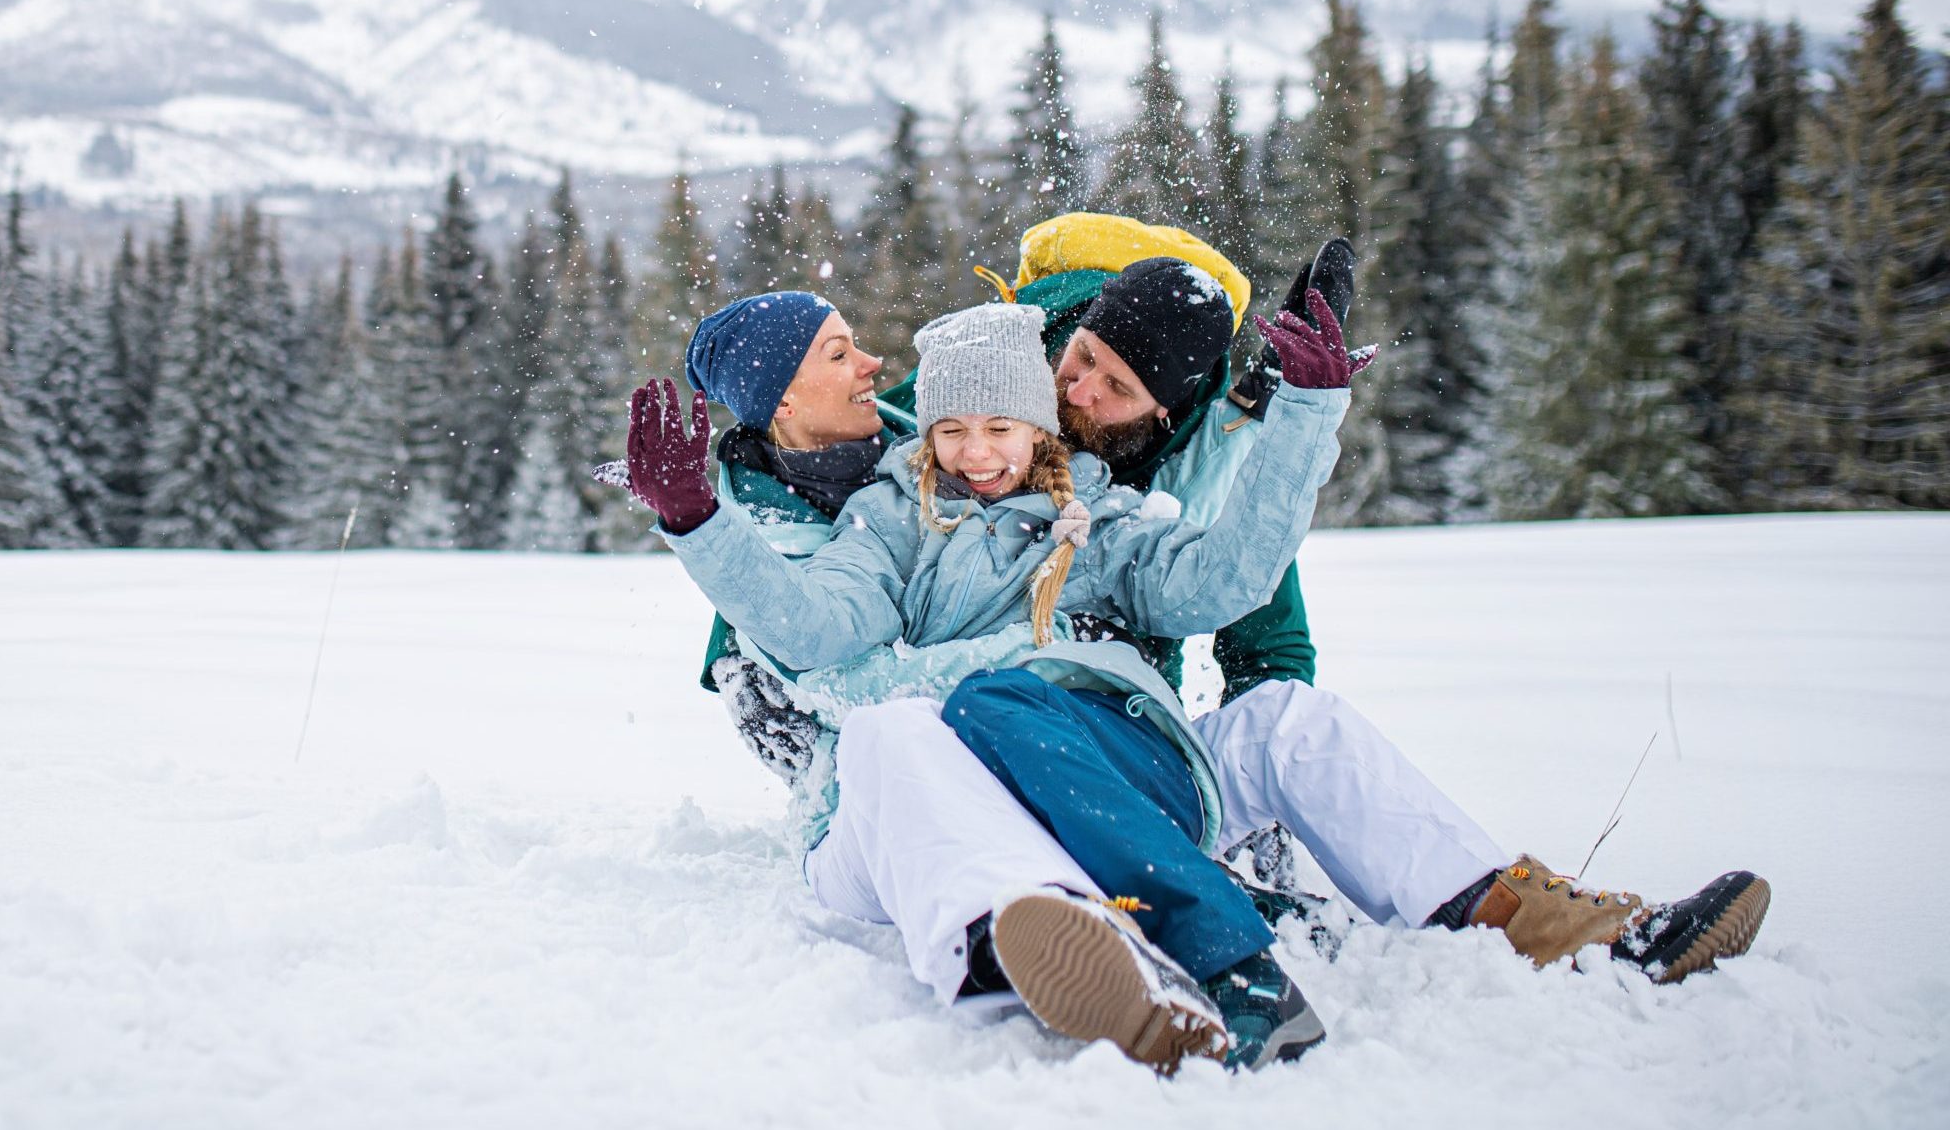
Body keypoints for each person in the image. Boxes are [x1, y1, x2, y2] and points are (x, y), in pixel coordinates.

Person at [959, 214, 1769, 981]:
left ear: (1171, 405)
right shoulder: (975, 386)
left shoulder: (1201, 466)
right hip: (989, 752)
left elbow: (1256, 617)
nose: (1081, 391)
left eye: (1119, 386)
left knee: (1293, 725)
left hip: (1126, 748)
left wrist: (1267, 816)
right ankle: (1194, 902)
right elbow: (863, 476)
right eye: (1083, 357)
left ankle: (1540, 924)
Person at [619, 292, 1362, 1070]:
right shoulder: (868, 512)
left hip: (1013, 756)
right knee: (904, 733)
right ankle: (1066, 939)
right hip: (875, 790)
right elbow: (825, 652)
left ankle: (1118, 935)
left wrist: (1291, 413)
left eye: (998, 430)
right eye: (839, 354)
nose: (874, 363)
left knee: (1025, 741)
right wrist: (698, 523)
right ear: (783, 396)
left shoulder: (961, 466)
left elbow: (1205, 560)